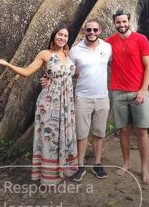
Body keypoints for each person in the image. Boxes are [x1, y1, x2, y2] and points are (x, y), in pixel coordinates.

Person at [0, 23, 78, 186]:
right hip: (49, 102)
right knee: (50, 137)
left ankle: (62, 170)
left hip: (66, 103)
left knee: (64, 134)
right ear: (54, 36)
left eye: (65, 36)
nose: (62, 38)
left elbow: (71, 74)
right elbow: (27, 72)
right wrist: (7, 64)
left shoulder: (68, 54)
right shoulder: (45, 54)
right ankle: (49, 176)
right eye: (60, 35)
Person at [41, 18, 112, 182]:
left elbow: (116, 64)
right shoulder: (75, 50)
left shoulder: (107, 47)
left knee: (99, 133)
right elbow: (63, 69)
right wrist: (47, 78)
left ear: (100, 31)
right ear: (84, 31)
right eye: (89, 30)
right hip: (82, 97)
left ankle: (97, 164)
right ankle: (80, 166)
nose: (92, 32)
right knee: (81, 134)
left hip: (102, 97)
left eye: (95, 30)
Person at [106, 9, 149, 184]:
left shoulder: (141, 39)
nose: (121, 25)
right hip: (118, 92)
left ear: (129, 21)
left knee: (142, 131)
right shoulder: (109, 42)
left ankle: (144, 168)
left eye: (124, 22)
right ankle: (126, 163)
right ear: (114, 23)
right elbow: (94, 56)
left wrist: (143, 90)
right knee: (124, 130)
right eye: (118, 22)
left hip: (138, 92)